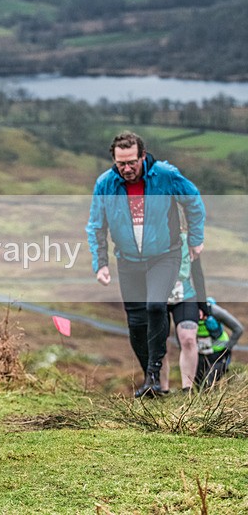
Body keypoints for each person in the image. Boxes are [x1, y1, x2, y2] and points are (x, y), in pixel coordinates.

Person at [86, 131, 205, 398]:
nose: (127, 169)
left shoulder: (165, 175)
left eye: (132, 162)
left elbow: (193, 200)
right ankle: (151, 381)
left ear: (142, 156)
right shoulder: (105, 184)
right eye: (121, 164)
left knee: (155, 306)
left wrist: (196, 239)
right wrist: (100, 263)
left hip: (165, 255)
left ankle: (154, 374)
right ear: (114, 161)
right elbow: (96, 225)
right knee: (137, 325)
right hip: (128, 261)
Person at [161, 228, 209, 393]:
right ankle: (163, 388)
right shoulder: (150, 239)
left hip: (186, 295)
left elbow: (198, 273)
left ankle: (187, 390)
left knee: (188, 339)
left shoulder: (189, 240)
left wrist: (203, 305)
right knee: (160, 342)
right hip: (157, 295)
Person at [195, 297, 243, 388]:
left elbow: (238, 329)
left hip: (219, 354)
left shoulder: (215, 311)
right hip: (200, 355)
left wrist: (228, 348)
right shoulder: (187, 314)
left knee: (208, 383)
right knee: (197, 384)